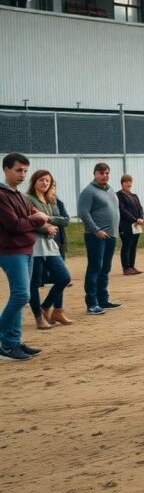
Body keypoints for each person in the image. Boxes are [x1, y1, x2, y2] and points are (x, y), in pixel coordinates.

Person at [0, 153, 50, 361]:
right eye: (18, 170)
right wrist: (34, 220)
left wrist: (32, 219)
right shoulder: (2, 195)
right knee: (21, 296)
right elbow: (15, 225)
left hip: (26, 249)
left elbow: (38, 216)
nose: (23, 175)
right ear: (6, 169)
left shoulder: (19, 195)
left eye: (25, 171)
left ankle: (12, 344)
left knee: (18, 298)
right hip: (11, 252)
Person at [26, 171, 73, 329]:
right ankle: (39, 318)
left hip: (51, 246)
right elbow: (28, 221)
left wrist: (48, 219)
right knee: (34, 283)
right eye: (41, 180)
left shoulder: (51, 200)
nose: (45, 183)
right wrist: (44, 227)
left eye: (47, 181)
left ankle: (45, 307)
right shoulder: (28, 199)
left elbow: (65, 220)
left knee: (64, 278)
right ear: (34, 182)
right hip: (35, 246)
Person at [78, 162, 121, 315]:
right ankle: (91, 303)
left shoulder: (110, 190)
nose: (105, 176)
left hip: (111, 235)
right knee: (95, 268)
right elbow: (83, 212)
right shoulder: (89, 191)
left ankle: (103, 300)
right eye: (101, 173)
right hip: (96, 236)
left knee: (105, 269)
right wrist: (96, 230)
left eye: (107, 173)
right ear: (94, 174)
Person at [117, 175, 144, 276]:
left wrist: (141, 218)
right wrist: (134, 219)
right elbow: (122, 209)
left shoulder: (134, 196)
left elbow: (140, 208)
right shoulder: (119, 195)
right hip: (125, 225)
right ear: (123, 183)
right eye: (127, 182)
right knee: (126, 245)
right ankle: (126, 268)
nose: (129, 184)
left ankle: (132, 267)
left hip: (136, 226)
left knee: (133, 246)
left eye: (130, 182)